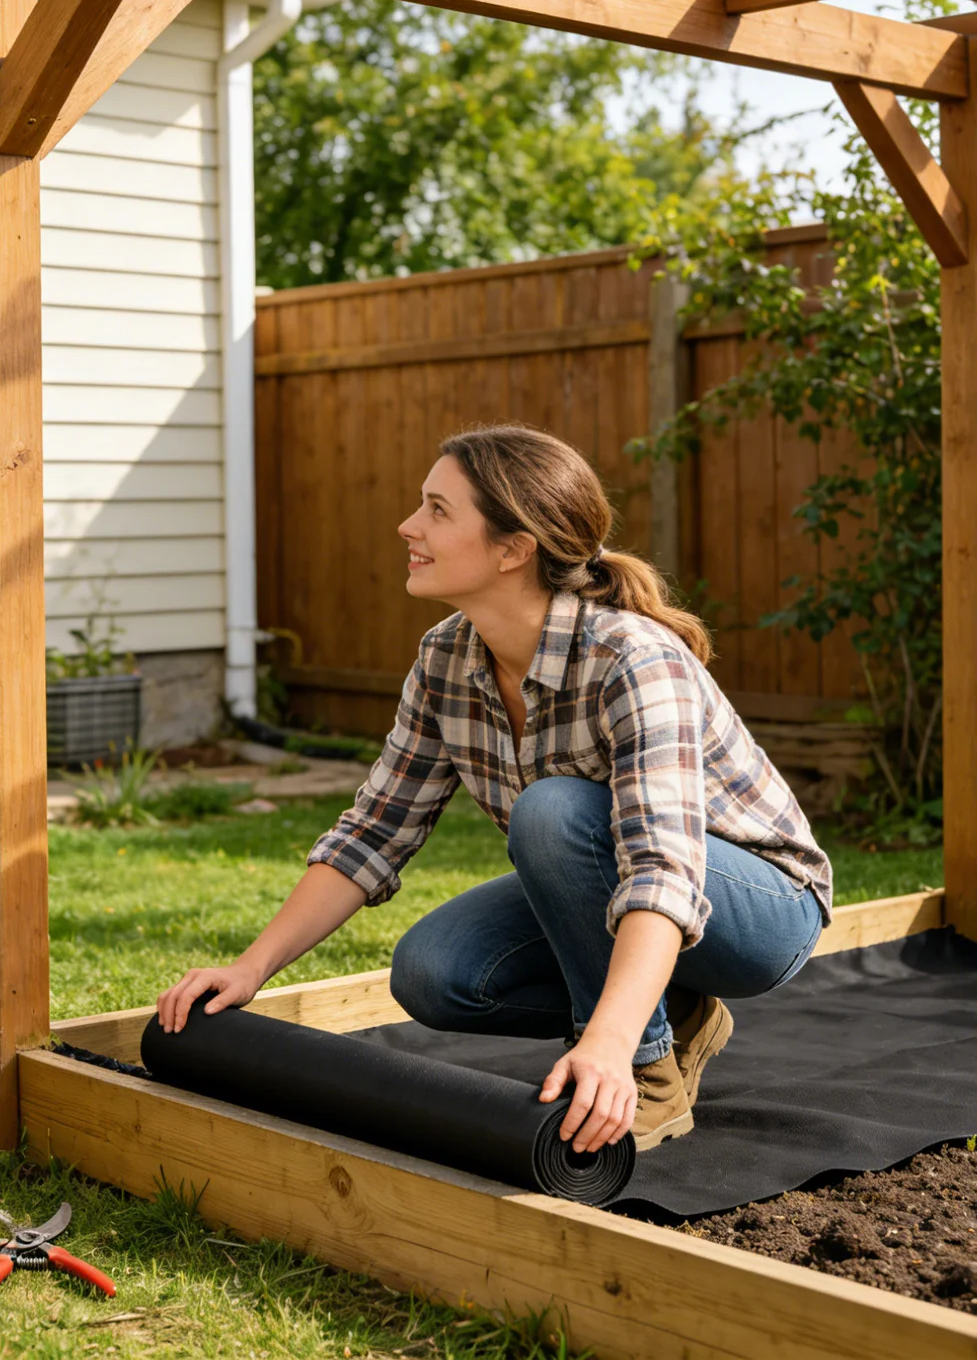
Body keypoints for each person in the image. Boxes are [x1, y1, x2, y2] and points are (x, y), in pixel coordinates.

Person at [158, 424, 832, 1154]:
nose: (407, 526)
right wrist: (249, 966)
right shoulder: (445, 656)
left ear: (513, 549)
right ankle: (678, 1011)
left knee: (551, 811)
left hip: (758, 906)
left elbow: (663, 868)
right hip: (629, 886)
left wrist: (608, 1042)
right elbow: (373, 831)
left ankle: (648, 1071)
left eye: (436, 510)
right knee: (434, 973)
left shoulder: (630, 659)